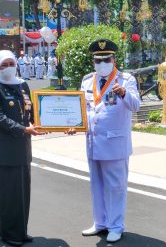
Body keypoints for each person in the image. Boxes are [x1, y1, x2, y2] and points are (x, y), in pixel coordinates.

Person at [67, 39, 140, 243]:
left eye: (106, 59)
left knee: (115, 187)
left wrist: (124, 93)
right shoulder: (87, 80)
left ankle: (116, 226)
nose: (102, 64)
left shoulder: (126, 80)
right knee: (96, 185)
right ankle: (100, 222)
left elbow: (136, 106)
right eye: (97, 60)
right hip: (93, 142)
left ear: (114, 59)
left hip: (115, 144)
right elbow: (82, 107)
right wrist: (74, 123)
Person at [0, 50, 46, 246]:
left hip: (22, 147)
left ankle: (20, 230)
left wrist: (47, 124)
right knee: (7, 194)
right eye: (4, 64)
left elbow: (31, 111)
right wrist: (24, 129)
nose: (9, 67)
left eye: (11, 62)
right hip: (4, 149)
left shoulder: (22, 84)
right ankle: (9, 234)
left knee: (22, 192)